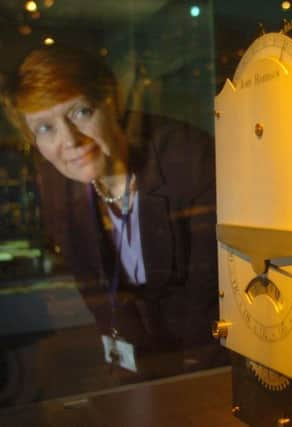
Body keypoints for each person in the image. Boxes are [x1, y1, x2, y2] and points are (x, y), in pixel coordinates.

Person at [1, 45, 226, 381]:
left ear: (112, 102)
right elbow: (93, 281)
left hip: (209, 351)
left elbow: (210, 292)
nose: (71, 141)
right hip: (144, 349)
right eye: (45, 128)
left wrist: (187, 371)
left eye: (80, 112)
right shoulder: (55, 178)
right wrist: (130, 364)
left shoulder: (188, 158)